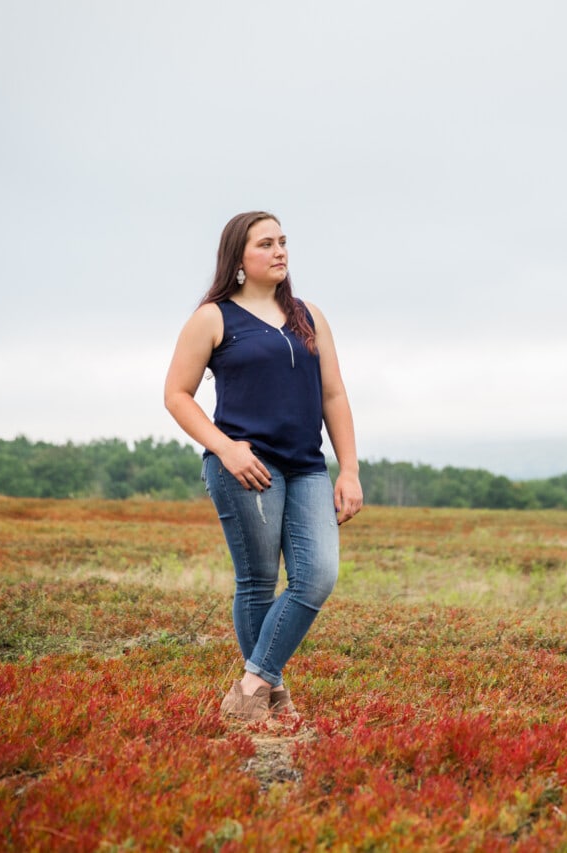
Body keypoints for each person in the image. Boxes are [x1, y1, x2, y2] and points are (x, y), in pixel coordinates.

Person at [164, 211, 363, 723]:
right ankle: (270, 700)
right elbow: (177, 396)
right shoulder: (213, 317)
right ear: (238, 259)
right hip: (245, 467)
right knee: (256, 581)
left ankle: (253, 685)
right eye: (266, 244)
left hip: (306, 467)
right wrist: (226, 448)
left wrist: (349, 470)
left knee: (316, 576)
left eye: (283, 242)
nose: (280, 252)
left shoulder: (309, 316)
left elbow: (334, 395)